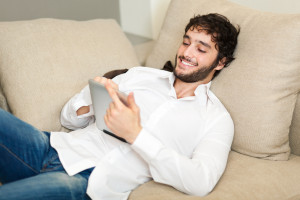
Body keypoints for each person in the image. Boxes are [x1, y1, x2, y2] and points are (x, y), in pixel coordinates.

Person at [0, 13, 240, 200]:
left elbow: (201, 181)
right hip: (49, 148)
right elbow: (68, 119)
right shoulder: (140, 76)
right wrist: (94, 95)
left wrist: (135, 134)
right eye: (185, 42)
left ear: (221, 62)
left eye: (201, 48)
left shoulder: (216, 119)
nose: (186, 53)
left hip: (87, 182)